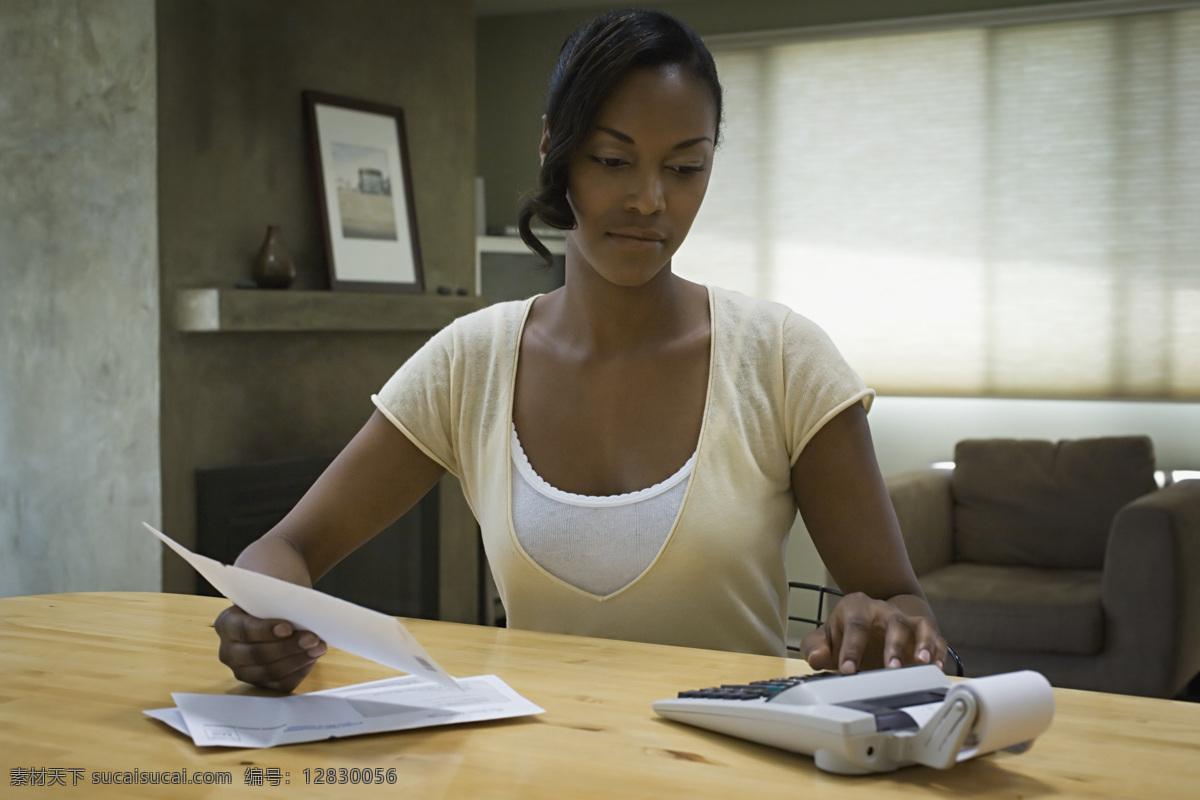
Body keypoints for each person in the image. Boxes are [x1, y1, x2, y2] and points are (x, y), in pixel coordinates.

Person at [215, 8, 949, 693]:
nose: (650, 200)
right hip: (534, 766)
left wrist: (886, 627)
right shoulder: (470, 363)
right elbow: (285, 550)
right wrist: (266, 614)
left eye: (685, 167)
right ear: (554, 152)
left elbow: (902, 605)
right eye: (612, 160)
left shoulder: (784, 360)